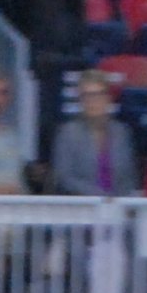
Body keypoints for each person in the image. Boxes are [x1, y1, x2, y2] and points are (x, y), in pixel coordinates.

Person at [49, 69, 131, 197]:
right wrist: (102, 197)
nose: (93, 101)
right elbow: (64, 178)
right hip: (81, 209)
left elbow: (129, 177)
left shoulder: (121, 132)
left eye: (98, 94)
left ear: (108, 98)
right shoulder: (68, 133)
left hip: (118, 208)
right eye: (87, 96)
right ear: (80, 100)